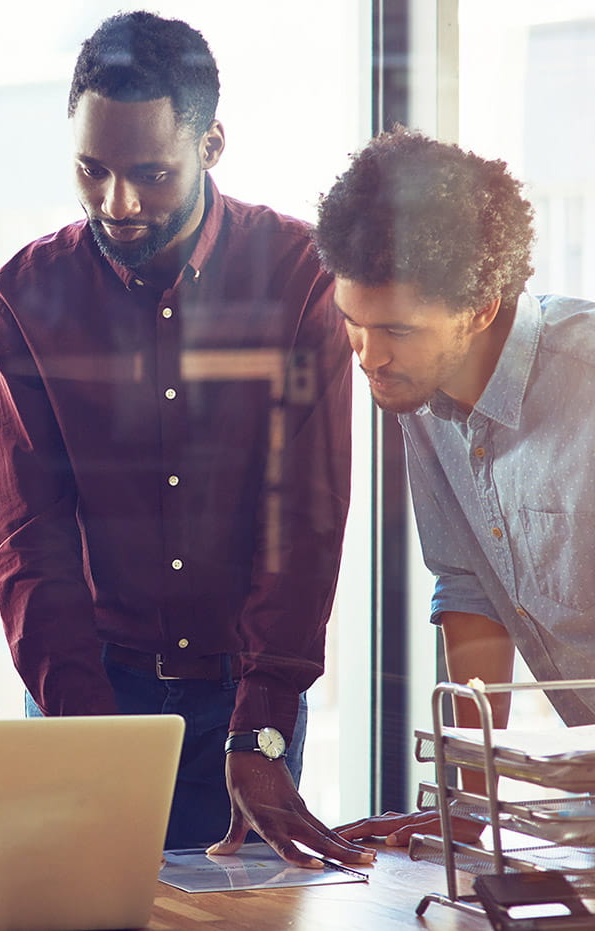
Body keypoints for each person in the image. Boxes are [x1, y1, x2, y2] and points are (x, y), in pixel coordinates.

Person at [0, 11, 372, 866]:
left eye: (151, 173)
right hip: (88, 687)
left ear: (212, 144)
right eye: (92, 169)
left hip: (244, 697)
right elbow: (27, 543)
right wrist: (90, 740)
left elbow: (301, 518)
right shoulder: (21, 299)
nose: (118, 201)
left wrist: (263, 722)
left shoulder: (300, 278)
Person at [314, 129, 595, 846]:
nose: (369, 357)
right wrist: (471, 812)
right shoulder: (420, 392)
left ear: (477, 307)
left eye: (397, 329)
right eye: (353, 322)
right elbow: (471, 589)